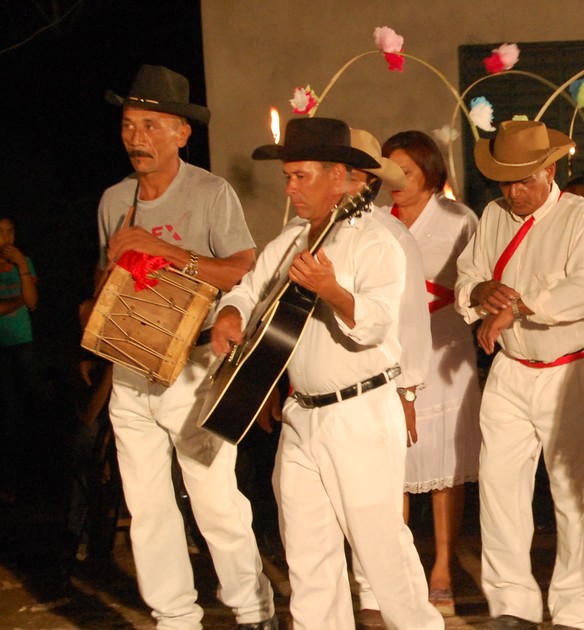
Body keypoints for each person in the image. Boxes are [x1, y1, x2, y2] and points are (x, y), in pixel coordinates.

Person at [212, 117, 442, 630]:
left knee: (380, 548)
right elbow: (249, 289)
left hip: (359, 412)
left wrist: (334, 290)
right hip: (303, 415)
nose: (290, 188)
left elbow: (378, 325)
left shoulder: (377, 241)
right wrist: (230, 313)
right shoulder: (293, 237)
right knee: (307, 554)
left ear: (340, 177)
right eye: (288, 176)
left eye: (301, 176)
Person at [93, 65, 276, 630]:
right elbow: (104, 281)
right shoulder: (113, 200)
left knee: (214, 499)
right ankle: (174, 617)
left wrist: (162, 251)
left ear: (181, 133)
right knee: (146, 507)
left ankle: (252, 609)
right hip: (130, 366)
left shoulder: (209, 192)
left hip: (195, 364)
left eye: (150, 124)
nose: (136, 136)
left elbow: (245, 271)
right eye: (128, 124)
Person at [455, 120, 584, 630]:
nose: (513, 191)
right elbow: (468, 274)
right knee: (499, 491)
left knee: (572, 498)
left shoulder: (580, 216)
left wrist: (519, 306)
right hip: (511, 369)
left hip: (570, 371)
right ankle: (511, 607)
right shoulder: (493, 215)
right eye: (505, 181)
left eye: (524, 180)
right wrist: (481, 294)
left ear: (550, 171)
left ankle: (570, 612)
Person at [382, 129, 483, 617]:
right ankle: (399, 572)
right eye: (389, 169)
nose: (395, 179)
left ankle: (442, 566)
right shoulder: (376, 221)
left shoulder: (458, 218)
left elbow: (476, 279)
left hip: (445, 349)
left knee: (445, 466)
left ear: (428, 169)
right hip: (393, 355)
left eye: (405, 168)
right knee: (393, 468)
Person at [345, 128, 437, 627]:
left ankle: (395, 605)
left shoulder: (391, 236)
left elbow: (411, 322)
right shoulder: (317, 232)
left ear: (362, 181)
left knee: (379, 506)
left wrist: (407, 392)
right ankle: (366, 598)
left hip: (379, 386)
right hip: (329, 395)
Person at [0, 215, 37, 505]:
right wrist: (19, 301)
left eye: (10, 231)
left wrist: (22, 265)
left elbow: (33, 301)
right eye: (1, 232)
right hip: (2, 345)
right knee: (6, 412)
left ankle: (26, 483)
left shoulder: (24, 262)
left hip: (23, 343)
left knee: (25, 410)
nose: (7, 238)